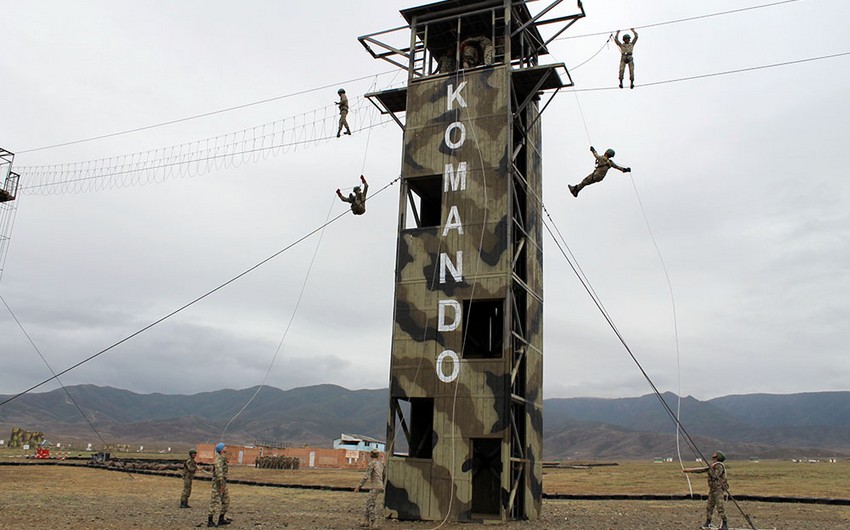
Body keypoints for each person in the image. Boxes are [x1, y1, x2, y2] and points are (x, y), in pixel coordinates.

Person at [684, 450, 729, 530]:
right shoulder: (713, 465)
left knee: (720, 507)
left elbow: (715, 475)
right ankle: (708, 522)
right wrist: (689, 471)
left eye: (715, 458)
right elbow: (702, 470)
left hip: (718, 489)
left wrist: (710, 469)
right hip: (712, 489)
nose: (713, 459)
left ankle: (724, 524)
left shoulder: (719, 466)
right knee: (709, 506)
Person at [354, 449, 386, 529]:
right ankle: (365, 521)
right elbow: (384, 475)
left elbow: (366, 476)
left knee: (371, 504)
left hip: (375, 485)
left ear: (370, 455)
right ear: (378, 455)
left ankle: (374, 522)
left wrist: (359, 486)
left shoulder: (372, 464)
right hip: (380, 485)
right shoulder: (381, 464)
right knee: (368, 502)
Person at [207, 443, 231, 527]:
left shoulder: (222, 458)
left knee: (226, 501)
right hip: (218, 484)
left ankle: (221, 519)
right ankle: (210, 520)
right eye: (224, 447)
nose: (226, 447)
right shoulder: (218, 460)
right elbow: (219, 473)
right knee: (214, 501)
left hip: (223, 483)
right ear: (221, 449)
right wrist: (222, 485)